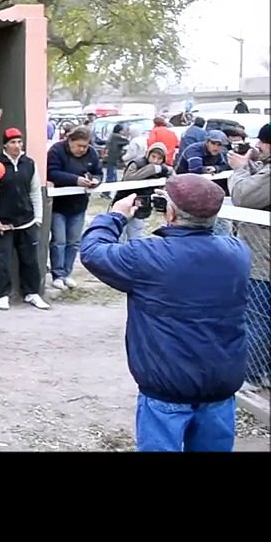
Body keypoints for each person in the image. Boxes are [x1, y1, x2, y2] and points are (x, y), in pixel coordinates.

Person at [79, 174, 251, 452]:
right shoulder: (238, 253)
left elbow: (92, 251)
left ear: (170, 212)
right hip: (220, 384)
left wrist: (115, 216)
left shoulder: (147, 256)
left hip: (166, 388)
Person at [0, 127, 49, 311]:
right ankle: (2, 295)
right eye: (12, 142)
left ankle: (32, 293)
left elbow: (35, 192)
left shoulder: (29, 164)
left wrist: (38, 218)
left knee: (30, 260)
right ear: (5, 145)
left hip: (27, 221)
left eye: (19, 142)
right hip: (4, 223)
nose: (17, 146)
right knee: (2, 261)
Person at [227, 122, 271, 388]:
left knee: (257, 318)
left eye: (262, 143)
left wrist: (240, 169)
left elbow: (244, 196)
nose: (257, 146)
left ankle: (252, 375)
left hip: (263, 259)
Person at [46, 125, 102, 290]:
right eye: (79, 146)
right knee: (59, 241)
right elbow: (52, 172)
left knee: (74, 242)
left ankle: (67, 273)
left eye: (85, 146)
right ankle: (57, 274)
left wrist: (96, 181)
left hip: (79, 205)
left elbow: (98, 172)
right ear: (70, 140)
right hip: (59, 205)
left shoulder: (92, 153)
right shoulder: (56, 151)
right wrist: (75, 180)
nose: (82, 149)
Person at [113, 141, 173, 241]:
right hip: (124, 202)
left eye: (159, 158)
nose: (155, 160)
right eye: (153, 156)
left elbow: (172, 177)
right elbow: (128, 178)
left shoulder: (163, 169)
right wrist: (151, 169)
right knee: (120, 234)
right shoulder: (136, 164)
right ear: (148, 154)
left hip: (142, 206)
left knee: (135, 235)